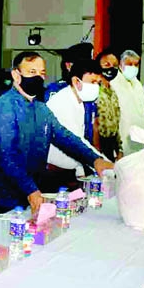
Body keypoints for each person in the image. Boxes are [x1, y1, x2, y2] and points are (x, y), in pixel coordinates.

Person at [0, 51, 114, 213]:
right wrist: (30, 189)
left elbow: (65, 137)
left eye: (42, 73)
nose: (38, 77)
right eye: (32, 72)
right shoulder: (5, 107)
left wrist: (95, 160)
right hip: (8, 194)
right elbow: (7, 155)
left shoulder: (41, 108)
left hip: (33, 190)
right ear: (15, 75)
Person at [45, 59, 106, 190]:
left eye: (98, 83)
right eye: (92, 82)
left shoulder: (80, 101)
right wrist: (100, 161)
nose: (96, 87)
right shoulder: (62, 102)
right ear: (76, 81)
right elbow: (75, 141)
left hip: (70, 170)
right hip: (54, 173)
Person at [110, 49, 144, 155]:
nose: (133, 67)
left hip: (140, 137)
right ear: (121, 65)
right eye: (129, 64)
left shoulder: (137, 84)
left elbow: (141, 111)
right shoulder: (113, 84)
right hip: (122, 139)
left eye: (136, 65)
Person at [95, 48, 123, 160]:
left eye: (115, 65)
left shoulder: (113, 92)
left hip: (110, 147)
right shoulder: (94, 90)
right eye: (107, 64)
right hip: (97, 146)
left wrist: (119, 150)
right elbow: (93, 124)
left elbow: (115, 124)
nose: (111, 68)